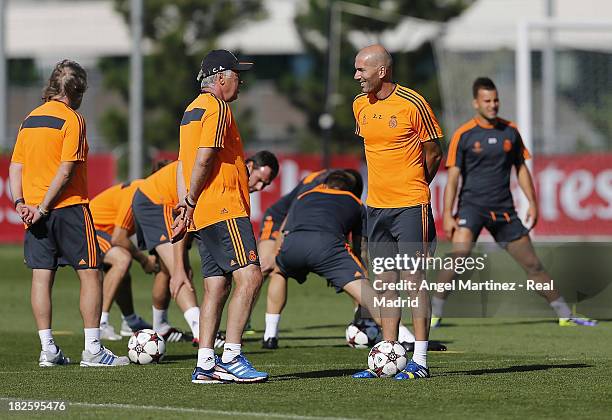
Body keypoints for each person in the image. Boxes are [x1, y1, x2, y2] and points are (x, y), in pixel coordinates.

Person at [430, 77, 597, 328]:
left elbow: (521, 169)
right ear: (476, 103)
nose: (493, 105)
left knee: (533, 265)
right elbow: (452, 178)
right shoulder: (464, 135)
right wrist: (448, 214)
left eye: (496, 100)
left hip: (504, 211)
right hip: (471, 208)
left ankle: (564, 314)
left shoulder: (510, 131)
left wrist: (533, 202)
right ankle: (433, 314)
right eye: (487, 101)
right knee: (459, 257)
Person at [8, 59, 128, 367]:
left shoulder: (29, 119)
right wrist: (45, 206)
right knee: (90, 273)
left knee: (41, 277)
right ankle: (93, 350)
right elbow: (65, 170)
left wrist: (21, 203)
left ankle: (48, 348)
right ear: (77, 91)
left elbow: (15, 166)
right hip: (68, 207)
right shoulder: (72, 119)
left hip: (33, 210)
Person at [174, 49, 277, 384]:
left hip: (203, 212)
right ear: (220, 78)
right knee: (251, 277)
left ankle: (205, 363)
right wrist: (189, 200)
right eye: (236, 74)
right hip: (222, 206)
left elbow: (181, 164)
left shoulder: (191, 109)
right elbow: (203, 159)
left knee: (216, 286)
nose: (240, 80)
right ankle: (232, 356)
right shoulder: (217, 107)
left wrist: (185, 204)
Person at [351, 45, 443, 380]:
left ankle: (420, 361)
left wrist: (416, 184)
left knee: (413, 281)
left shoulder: (413, 103)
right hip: (375, 207)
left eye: (362, 70)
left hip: (410, 205)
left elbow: (434, 151)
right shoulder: (359, 105)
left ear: (382, 71)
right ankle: (390, 351)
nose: (357, 76)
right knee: (385, 282)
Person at [89, 179, 160, 340]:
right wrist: (144, 260)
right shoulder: (137, 194)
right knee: (122, 259)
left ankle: (130, 322)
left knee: (122, 272)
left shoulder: (149, 192)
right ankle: (100, 323)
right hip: (89, 229)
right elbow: (119, 238)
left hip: (104, 232)